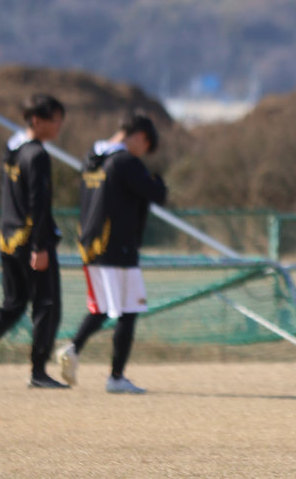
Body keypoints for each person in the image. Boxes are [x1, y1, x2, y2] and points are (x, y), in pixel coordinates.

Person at [56, 112, 167, 394]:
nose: (143, 153)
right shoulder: (125, 161)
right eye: (146, 147)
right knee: (129, 310)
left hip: (92, 243)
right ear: (140, 137)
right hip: (118, 245)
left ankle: (73, 348)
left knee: (103, 308)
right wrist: (158, 181)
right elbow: (156, 193)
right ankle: (116, 377)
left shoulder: (92, 158)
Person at [0, 94, 67, 388]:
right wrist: (41, 247)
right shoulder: (37, 155)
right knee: (48, 305)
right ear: (36, 120)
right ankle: (38, 372)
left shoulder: (12, 149)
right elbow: (38, 204)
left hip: (7, 238)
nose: (59, 126)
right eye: (55, 120)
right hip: (31, 241)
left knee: (13, 304)